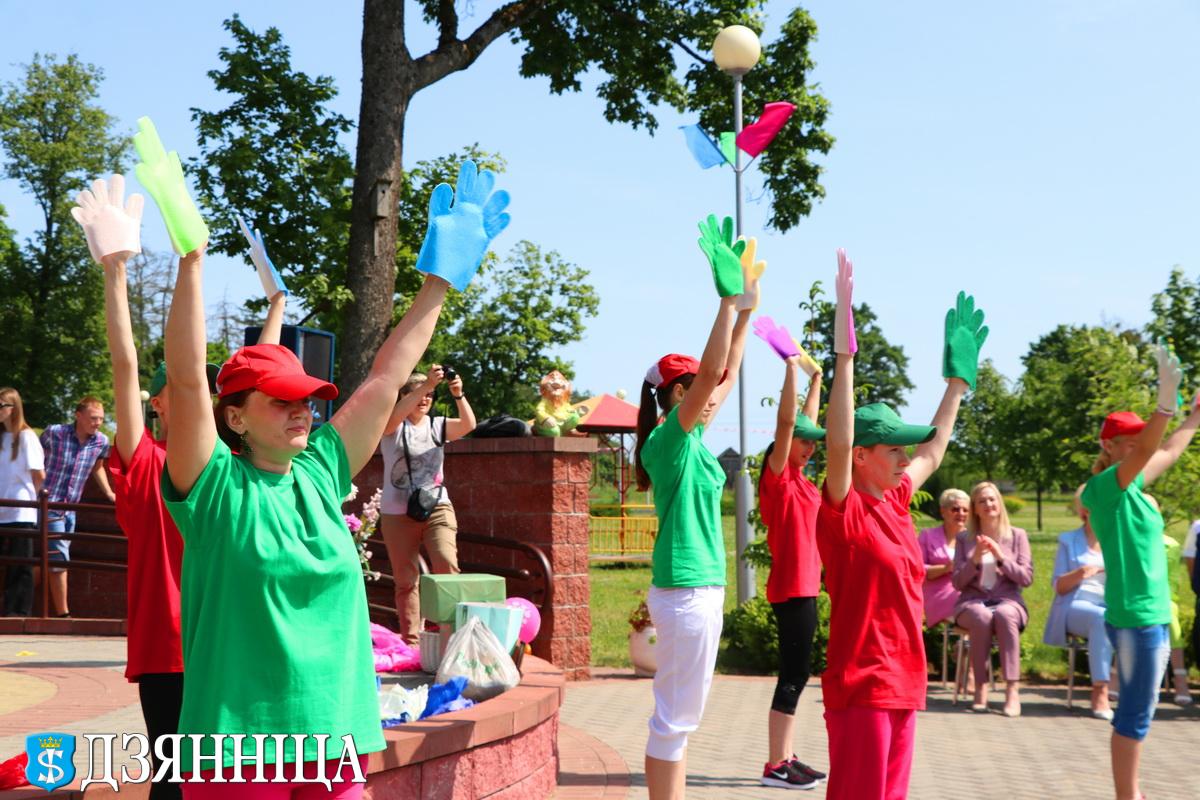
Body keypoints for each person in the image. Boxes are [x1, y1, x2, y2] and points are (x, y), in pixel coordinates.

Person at [143, 112, 509, 795]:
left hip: (336, 738)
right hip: (235, 747)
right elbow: (189, 376)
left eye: (306, 397)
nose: (301, 409)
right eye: (280, 400)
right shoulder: (214, 486)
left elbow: (386, 378)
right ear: (235, 418)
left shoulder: (321, 470)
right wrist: (192, 262)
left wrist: (438, 283)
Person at [71, 173, 288, 800]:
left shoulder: (221, 462)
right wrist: (115, 271)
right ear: (159, 400)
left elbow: (256, 388)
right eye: (181, 384)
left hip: (225, 637)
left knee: (228, 778)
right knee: (176, 783)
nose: (196, 387)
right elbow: (126, 362)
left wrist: (275, 308)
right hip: (170, 645)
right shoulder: (143, 462)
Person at [817, 250, 985, 800]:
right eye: (891, 450)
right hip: (861, 685)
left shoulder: (895, 499)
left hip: (906, 681)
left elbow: (933, 451)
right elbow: (837, 442)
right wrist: (844, 358)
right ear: (862, 456)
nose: (901, 458)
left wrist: (957, 383)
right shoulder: (844, 509)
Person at [634, 216, 755, 800]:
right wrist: (726, 303)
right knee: (674, 721)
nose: (710, 399)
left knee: (681, 720)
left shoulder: (694, 441)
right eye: (697, 394)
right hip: (686, 593)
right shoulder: (670, 440)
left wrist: (747, 310)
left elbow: (723, 372)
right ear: (677, 396)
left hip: (694, 590)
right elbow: (713, 374)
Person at [1080, 342, 1200, 800]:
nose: (1138, 450)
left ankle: (1131, 794)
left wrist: (1192, 416)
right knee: (1134, 714)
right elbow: (1153, 445)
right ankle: (1127, 797)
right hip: (1136, 618)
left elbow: (1166, 450)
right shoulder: (1103, 488)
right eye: (1128, 444)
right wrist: (1164, 407)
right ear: (1108, 448)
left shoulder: (1131, 488)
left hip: (1147, 615)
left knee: (1140, 710)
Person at [755, 337, 826, 790]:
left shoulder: (801, 479)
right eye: (804, 443)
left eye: (812, 444)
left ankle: (786, 756)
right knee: (794, 673)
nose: (811, 447)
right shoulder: (778, 479)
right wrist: (789, 369)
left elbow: (805, 423)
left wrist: (817, 376)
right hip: (791, 588)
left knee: (800, 672)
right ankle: (775, 765)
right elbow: (788, 422)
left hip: (806, 587)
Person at [379, 365, 476, 644]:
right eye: (418, 394)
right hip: (397, 512)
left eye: (430, 395)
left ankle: (454, 637)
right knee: (406, 580)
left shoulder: (437, 425)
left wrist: (458, 395)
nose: (424, 399)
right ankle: (411, 641)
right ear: (404, 396)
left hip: (436, 506)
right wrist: (424, 385)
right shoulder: (392, 425)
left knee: (447, 566)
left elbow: (469, 425)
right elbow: (387, 423)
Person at [952, 481, 1033, 717]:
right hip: (972, 602)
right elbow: (957, 582)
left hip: (1008, 600)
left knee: (1006, 614)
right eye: (981, 501)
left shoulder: (1017, 536)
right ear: (975, 508)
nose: (988, 504)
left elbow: (1026, 578)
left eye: (992, 499)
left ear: (1000, 503)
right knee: (981, 616)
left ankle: (1012, 691)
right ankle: (980, 689)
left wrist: (1000, 557)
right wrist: (975, 559)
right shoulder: (964, 539)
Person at [38, 395, 116, 616]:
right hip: (49, 504)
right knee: (59, 557)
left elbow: (97, 467)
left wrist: (109, 492)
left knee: (49, 558)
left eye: (101, 418)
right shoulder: (54, 433)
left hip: (72, 508)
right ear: (78, 415)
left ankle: (18, 588)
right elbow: (34, 460)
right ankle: (64, 615)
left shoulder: (100, 441)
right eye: (93, 418)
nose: (98, 423)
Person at [1044, 485, 1114, 719]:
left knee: (1127, 619)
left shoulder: (1116, 541)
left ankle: (1132, 689)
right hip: (1075, 604)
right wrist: (1081, 572)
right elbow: (1059, 586)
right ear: (1084, 510)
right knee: (1101, 619)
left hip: (1111, 604)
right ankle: (1100, 691)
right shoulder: (1068, 540)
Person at [0, 387, 44, 617]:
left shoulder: (26, 437)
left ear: (13, 408)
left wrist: (31, 498)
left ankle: (17, 612)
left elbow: (39, 474)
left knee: (20, 564)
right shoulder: (1, 437)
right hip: (1, 510)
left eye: (2, 405)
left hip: (20, 511)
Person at [917, 488, 969, 627]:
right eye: (955, 509)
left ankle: (962, 648)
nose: (961, 513)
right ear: (943, 511)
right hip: (938, 595)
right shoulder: (927, 536)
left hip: (969, 592)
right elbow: (916, 569)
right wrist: (946, 568)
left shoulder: (974, 538)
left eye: (965, 510)